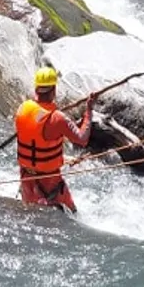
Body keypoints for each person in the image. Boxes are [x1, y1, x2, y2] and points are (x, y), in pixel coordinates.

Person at [14, 66, 94, 213]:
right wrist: (89, 111)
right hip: (50, 184)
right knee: (73, 214)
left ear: (36, 88)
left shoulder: (22, 108)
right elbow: (82, 139)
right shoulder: (57, 118)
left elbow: (37, 135)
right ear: (54, 90)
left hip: (27, 180)